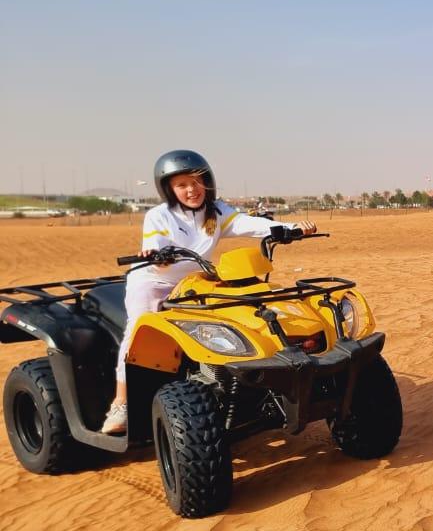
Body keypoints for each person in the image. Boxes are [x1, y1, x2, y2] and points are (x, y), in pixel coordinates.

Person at [101, 150, 316, 435]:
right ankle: (121, 402)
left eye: (196, 182)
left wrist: (289, 229)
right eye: (182, 185)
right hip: (154, 282)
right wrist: (155, 255)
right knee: (138, 329)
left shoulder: (217, 212)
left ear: (207, 182)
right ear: (169, 189)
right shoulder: (158, 216)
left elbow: (249, 225)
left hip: (196, 280)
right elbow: (153, 244)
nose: (191, 190)